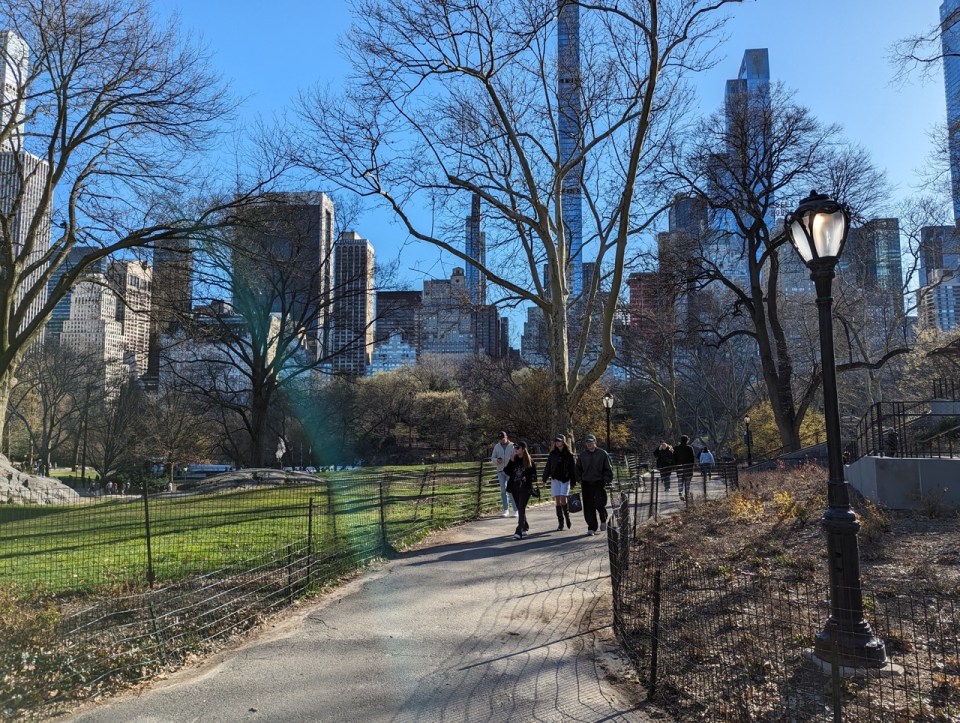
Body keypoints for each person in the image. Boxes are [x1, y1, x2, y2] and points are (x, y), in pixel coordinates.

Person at [576, 434, 613, 536]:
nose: (589, 444)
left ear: (595, 442)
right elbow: (577, 468)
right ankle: (591, 527)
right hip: (586, 483)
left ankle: (603, 518)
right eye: (587, 442)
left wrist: (606, 479)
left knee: (599, 503)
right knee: (588, 506)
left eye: (591, 442)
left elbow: (608, 468)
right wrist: (579, 479)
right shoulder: (582, 455)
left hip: (599, 482)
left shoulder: (602, 454)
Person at [502, 441, 537, 540]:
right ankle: (525, 527)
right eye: (515, 448)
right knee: (520, 508)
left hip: (525, 489)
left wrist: (527, 479)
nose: (515, 450)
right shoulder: (515, 459)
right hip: (515, 488)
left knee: (521, 508)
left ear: (523, 449)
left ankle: (519, 531)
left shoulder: (529, 461)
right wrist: (511, 461)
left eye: (517, 448)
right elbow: (507, 471)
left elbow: (534, 477)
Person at [542, 434, 576, 531]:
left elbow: (572, 469)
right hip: (555, 479)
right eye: (556, 441)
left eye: (559, 441)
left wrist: (573, 481)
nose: (557, 442)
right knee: (557, 501)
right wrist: (544, 479)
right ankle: (560, 523)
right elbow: (548, 467)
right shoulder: (553, 454)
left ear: (563, 442)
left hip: (565, 479)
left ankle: (567, 517)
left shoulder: (569, 455)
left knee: (563, 499)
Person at [491, 431, 516, 517]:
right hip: (500, 471)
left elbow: (516, 458)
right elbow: (492, 458)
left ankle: (516, 510)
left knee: (511, 490)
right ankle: (506, 510)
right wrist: (497, 460)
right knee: (503, 490)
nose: (501, 440)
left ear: (506, 437)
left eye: (502, 438)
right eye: (500, 439)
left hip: (510, 471)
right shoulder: (497, 446)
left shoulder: (512, 446)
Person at [674, 435, 695, 500]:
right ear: (687, 440)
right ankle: (686, 493)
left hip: (679, 467)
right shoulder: (690, 448)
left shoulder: (676, 448)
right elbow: (693, 458)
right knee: (687, 481)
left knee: (680, 480)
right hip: (688, 467)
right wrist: (691, 466)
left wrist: (676, 465)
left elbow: (674, 458)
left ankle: (680, 493)